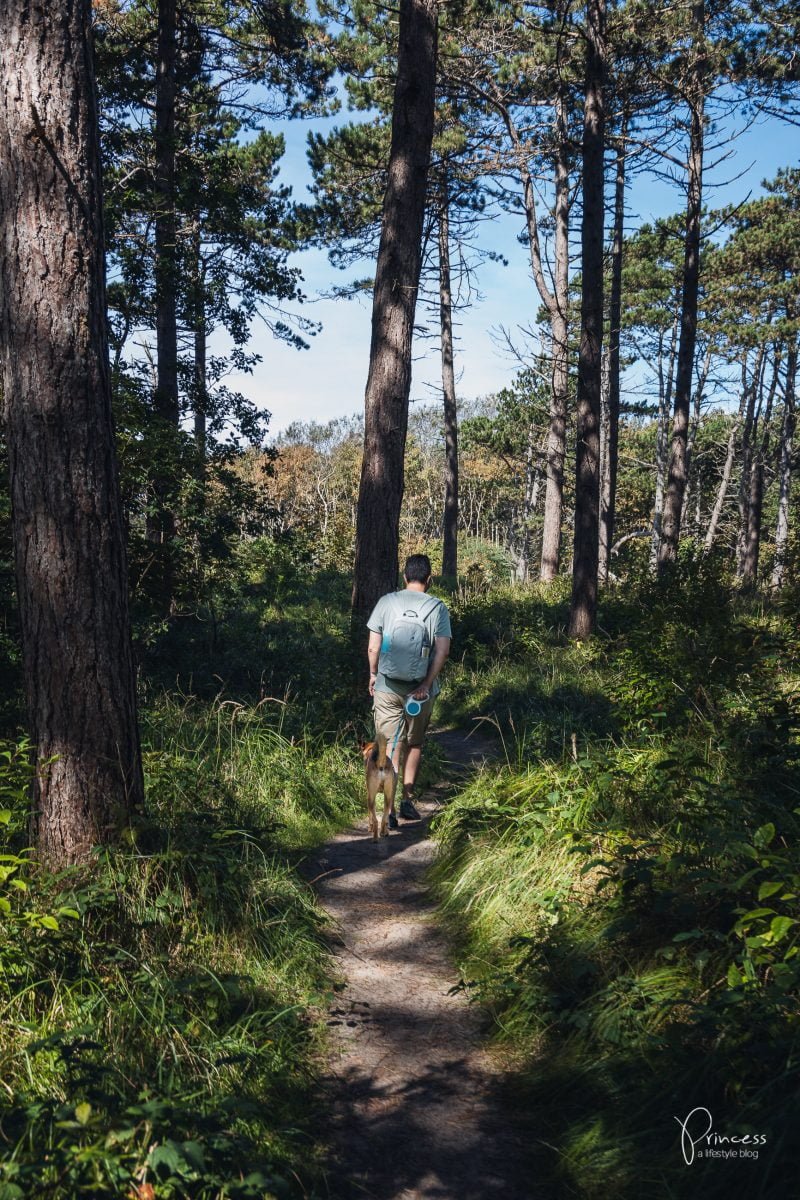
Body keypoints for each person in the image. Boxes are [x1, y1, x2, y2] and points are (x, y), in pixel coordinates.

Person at [366, 554, 452, 828]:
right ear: (430, 579)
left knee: (391, 744)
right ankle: (407, 799)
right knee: (414, 743)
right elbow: (442, 650)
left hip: (388, 686)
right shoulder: (437, 608)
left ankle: (388, 807)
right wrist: (426, 684)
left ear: (404, 577)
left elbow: (373, 647)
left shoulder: (386, 602)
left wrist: (372, 673)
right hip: (420, 692)